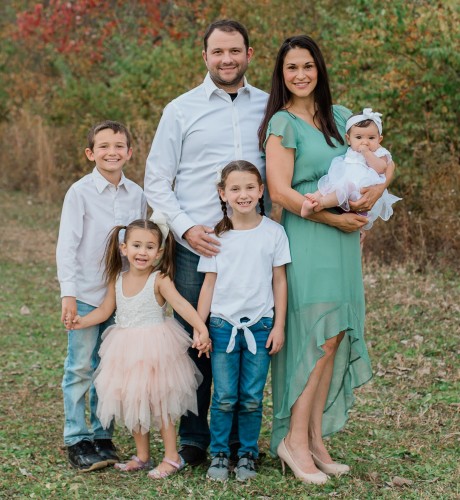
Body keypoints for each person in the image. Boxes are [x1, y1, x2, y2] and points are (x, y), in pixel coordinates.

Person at [259, 36, 395, 484]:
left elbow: (377, 158)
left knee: (333, 337)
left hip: (344, 241)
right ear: (282, 74)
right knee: (313, 338)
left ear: (320, 68)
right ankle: (292, 441)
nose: (300, 74)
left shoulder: (341, 118)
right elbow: (279, 191)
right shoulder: (282, 122)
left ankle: (315, 440)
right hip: (311, 235)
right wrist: (332, 219)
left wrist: (378, 188)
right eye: (291, 67)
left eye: (308, 65)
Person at [144, 19, 269, 466]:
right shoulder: (180, 110)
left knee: (247, 338)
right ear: (205, 56)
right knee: (198, 341)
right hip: (199, 246)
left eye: (235, 51)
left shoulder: (270, 108)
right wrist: (183, 226)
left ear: (249, 54)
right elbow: (157, 181)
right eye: (218, 52)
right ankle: (197, 438)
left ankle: (240, 438)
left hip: (252, 248)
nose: (227, 59)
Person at [66, 218, 211, 479]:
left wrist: (200, 327)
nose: (142, 252)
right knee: (133, 401)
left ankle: (171, 457)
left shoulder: (160, 279)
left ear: (159, 252)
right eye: (136, 245)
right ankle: (142, 455)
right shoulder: (117, 279)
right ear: (124, 249)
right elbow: (105, 310)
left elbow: (180, 305)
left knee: (160, 403)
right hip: (124, 350)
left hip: (156, 349)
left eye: (149, 247)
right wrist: (82, 321)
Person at [56, 120, 147, 471]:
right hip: (86, 292)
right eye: (104, 146)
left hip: (120, 294)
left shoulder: (137, 194)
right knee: (80, 366)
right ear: (91, 153)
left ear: (129, 151)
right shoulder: (79, 192)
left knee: (109, 368)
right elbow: (68, 246)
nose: (112, 152)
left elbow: (139, 245)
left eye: (119, 145)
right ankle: (77, 437)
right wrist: (69, 294)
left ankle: (103, 435)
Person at [195, 161, 291, 482]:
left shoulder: (274, 233)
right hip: (222, 327)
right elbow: (208, 285)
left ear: (261, 190)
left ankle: (248, 453)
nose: (243, 194)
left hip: (261, 326)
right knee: (223, 397)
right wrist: (200, 326)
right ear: (223, 193)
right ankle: (220, 453)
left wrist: (278, 325)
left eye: (250, 187)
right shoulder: (215, 236)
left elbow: (279, 281)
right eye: (235, 188)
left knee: (251, 397)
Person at [301, 108, 401, 230]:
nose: (365, 142)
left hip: (361, 190)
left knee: (345, 186)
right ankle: (314, 199)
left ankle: (320, 205)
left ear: (379, 139)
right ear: (348, 139)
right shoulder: (351, 151)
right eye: (359, 137)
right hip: (345, 185)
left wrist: (366, 153)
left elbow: (381, 168)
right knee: (330, 181)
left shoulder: (379, 153)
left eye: (371, 138)